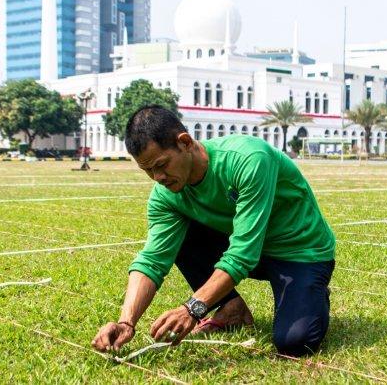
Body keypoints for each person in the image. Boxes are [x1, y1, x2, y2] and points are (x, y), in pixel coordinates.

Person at [91, 105, 336, 357]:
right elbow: (153, 258)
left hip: (301, 252)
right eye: (148, 170)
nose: (158, 177)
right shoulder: (165, 195)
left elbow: (243, 253)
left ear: (184, 142)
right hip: (252, 252)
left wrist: (192, 309)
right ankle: (232, 309)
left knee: (295, 342)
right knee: (180, 236)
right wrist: (126, 321)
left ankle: (312, 290)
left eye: (162, 165)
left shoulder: (248, 159)